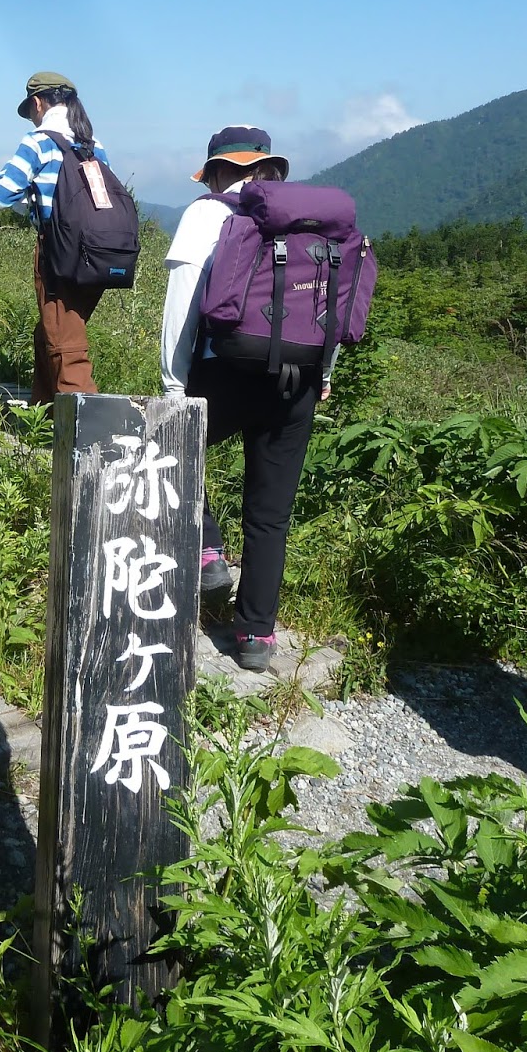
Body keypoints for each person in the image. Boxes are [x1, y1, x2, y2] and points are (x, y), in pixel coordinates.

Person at [160, 125, 329, 674]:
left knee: (171, 450)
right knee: (270, 515)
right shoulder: (311, 219)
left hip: (225, 370)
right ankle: (256, 635)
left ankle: (208, 550)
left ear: (215, 172)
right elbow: (331, 298)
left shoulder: (206, 214)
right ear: (270, 168)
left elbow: (184, 299)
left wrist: (173, 385)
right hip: (298, 380)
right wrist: (324, 372)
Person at [0, 71, 112, 405]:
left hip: (59, 252)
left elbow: (2, 194)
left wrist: (31, 203)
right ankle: (44, 414)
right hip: (98, 254)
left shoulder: (38, 141)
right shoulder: (94, 145)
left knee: (65, 343)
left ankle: (88, 424)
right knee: (52, 329)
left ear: (37, 103)